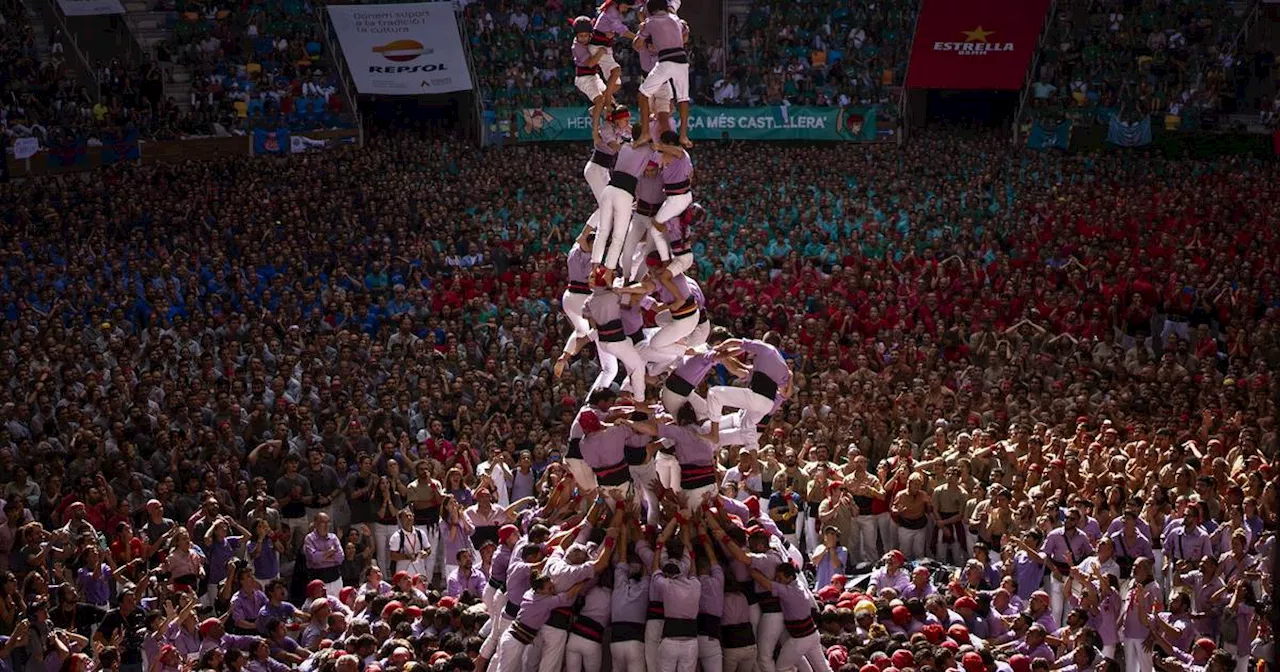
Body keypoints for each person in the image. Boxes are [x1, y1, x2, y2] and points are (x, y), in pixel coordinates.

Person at [302, 513, 345, 597]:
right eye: (323, 522)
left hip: (335, 579)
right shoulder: (309, 539)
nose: (326, 525)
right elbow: (314, 558)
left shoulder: (333, 537)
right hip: (319, 581)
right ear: (315, 523)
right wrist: (330, 552)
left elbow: (340, 557)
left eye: (328, 522)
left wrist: (322, 556)